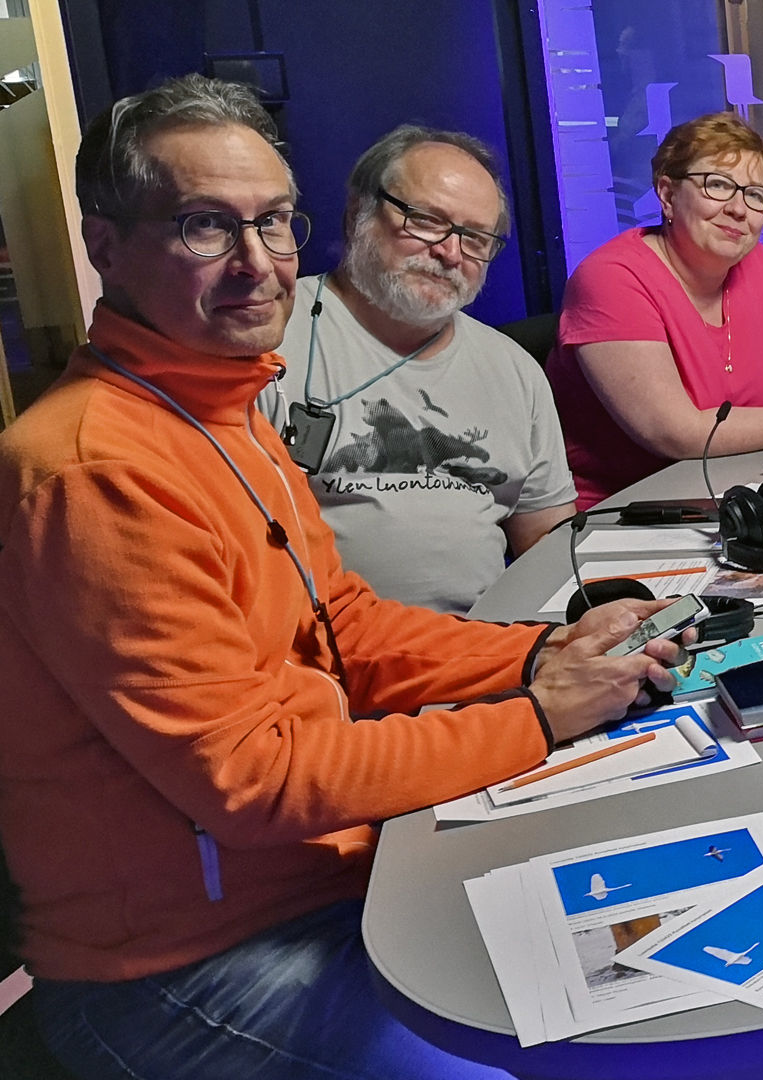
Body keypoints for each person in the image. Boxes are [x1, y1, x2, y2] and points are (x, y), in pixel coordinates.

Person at [0, 75, 692, 1080]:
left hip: (332, 876)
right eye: (206, 224)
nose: (257, 263)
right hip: (182, 965)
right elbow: (256, 780)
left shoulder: (223, 407)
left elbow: (347, 626)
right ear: (105, 243)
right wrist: (541, 715)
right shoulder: (95, 470)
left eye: (273, 222)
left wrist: (540, 652)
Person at [258, 125, 576, 613]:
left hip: (487, 644)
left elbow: (547, 543)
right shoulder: (268, 335)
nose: (450, 252)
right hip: (318, 645)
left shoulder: (514, 369)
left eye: (475, 237)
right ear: (358, 213)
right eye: (426, 221)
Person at [545, 112, 763, 508]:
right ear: (667, 194)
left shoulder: (754, 264)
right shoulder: (610, 279)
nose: (739, 209)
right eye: (718, 185)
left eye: (755, 194)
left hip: (739, 486)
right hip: (625, 512)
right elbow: (675, 433)